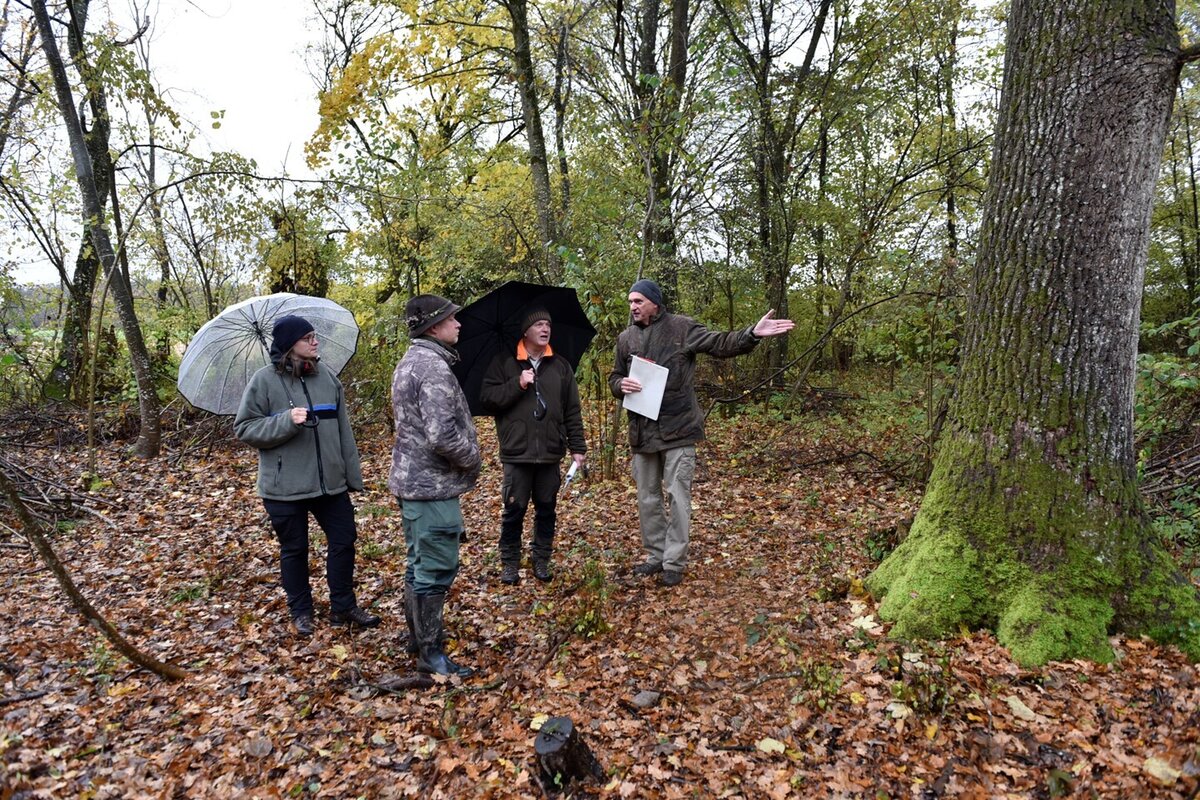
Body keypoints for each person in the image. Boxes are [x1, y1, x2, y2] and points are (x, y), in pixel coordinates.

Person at [609, 279, 795, 587]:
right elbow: (615, 376)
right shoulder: (625, 338)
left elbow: (720, 343)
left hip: (679, 429)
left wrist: (751, 334)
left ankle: (673, 561)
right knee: (647, 498)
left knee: (677, 497)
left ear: (655, 302)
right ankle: (656, 556)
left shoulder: (682, 328)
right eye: (630, 302)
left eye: (639, 301)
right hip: (642, 431)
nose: (633, 307)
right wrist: (619, 385)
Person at [234, 314, 381, 637]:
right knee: (295, 549)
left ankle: (343, 605)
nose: (316, 342)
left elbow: (344, 431)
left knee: (344, 540)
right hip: (284, 487)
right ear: (289, 346)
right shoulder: (263, 381)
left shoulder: (327, 377)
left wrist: (350, 476)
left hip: (330, 484)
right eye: (308, 338)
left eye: (315, 336)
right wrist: (286, 420)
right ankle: (301, 611)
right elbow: (245, 428)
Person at [389, 294, 482, 677]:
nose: (458, 324)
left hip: (414, 483)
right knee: (437, 566)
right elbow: (441, 434)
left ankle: (419, 638)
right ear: (433, 327)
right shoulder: (431, 367)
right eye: (452, 319)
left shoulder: (412, 361)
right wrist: (473, 458)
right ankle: (430, 653)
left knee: (419, 562)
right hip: (430, 487)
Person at [480, 309, 588, 585]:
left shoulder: (560, 366)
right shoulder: (504, 363)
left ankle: (541, 559)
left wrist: (578, 447)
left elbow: (572, 410)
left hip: (551, 451)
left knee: (547, 508)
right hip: (517, 451)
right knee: (514, 509)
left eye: (548, 324)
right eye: (539, 324)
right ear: (526, 331)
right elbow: (488, 399)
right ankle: (510, 563)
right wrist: (518, 383)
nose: (545, 329)